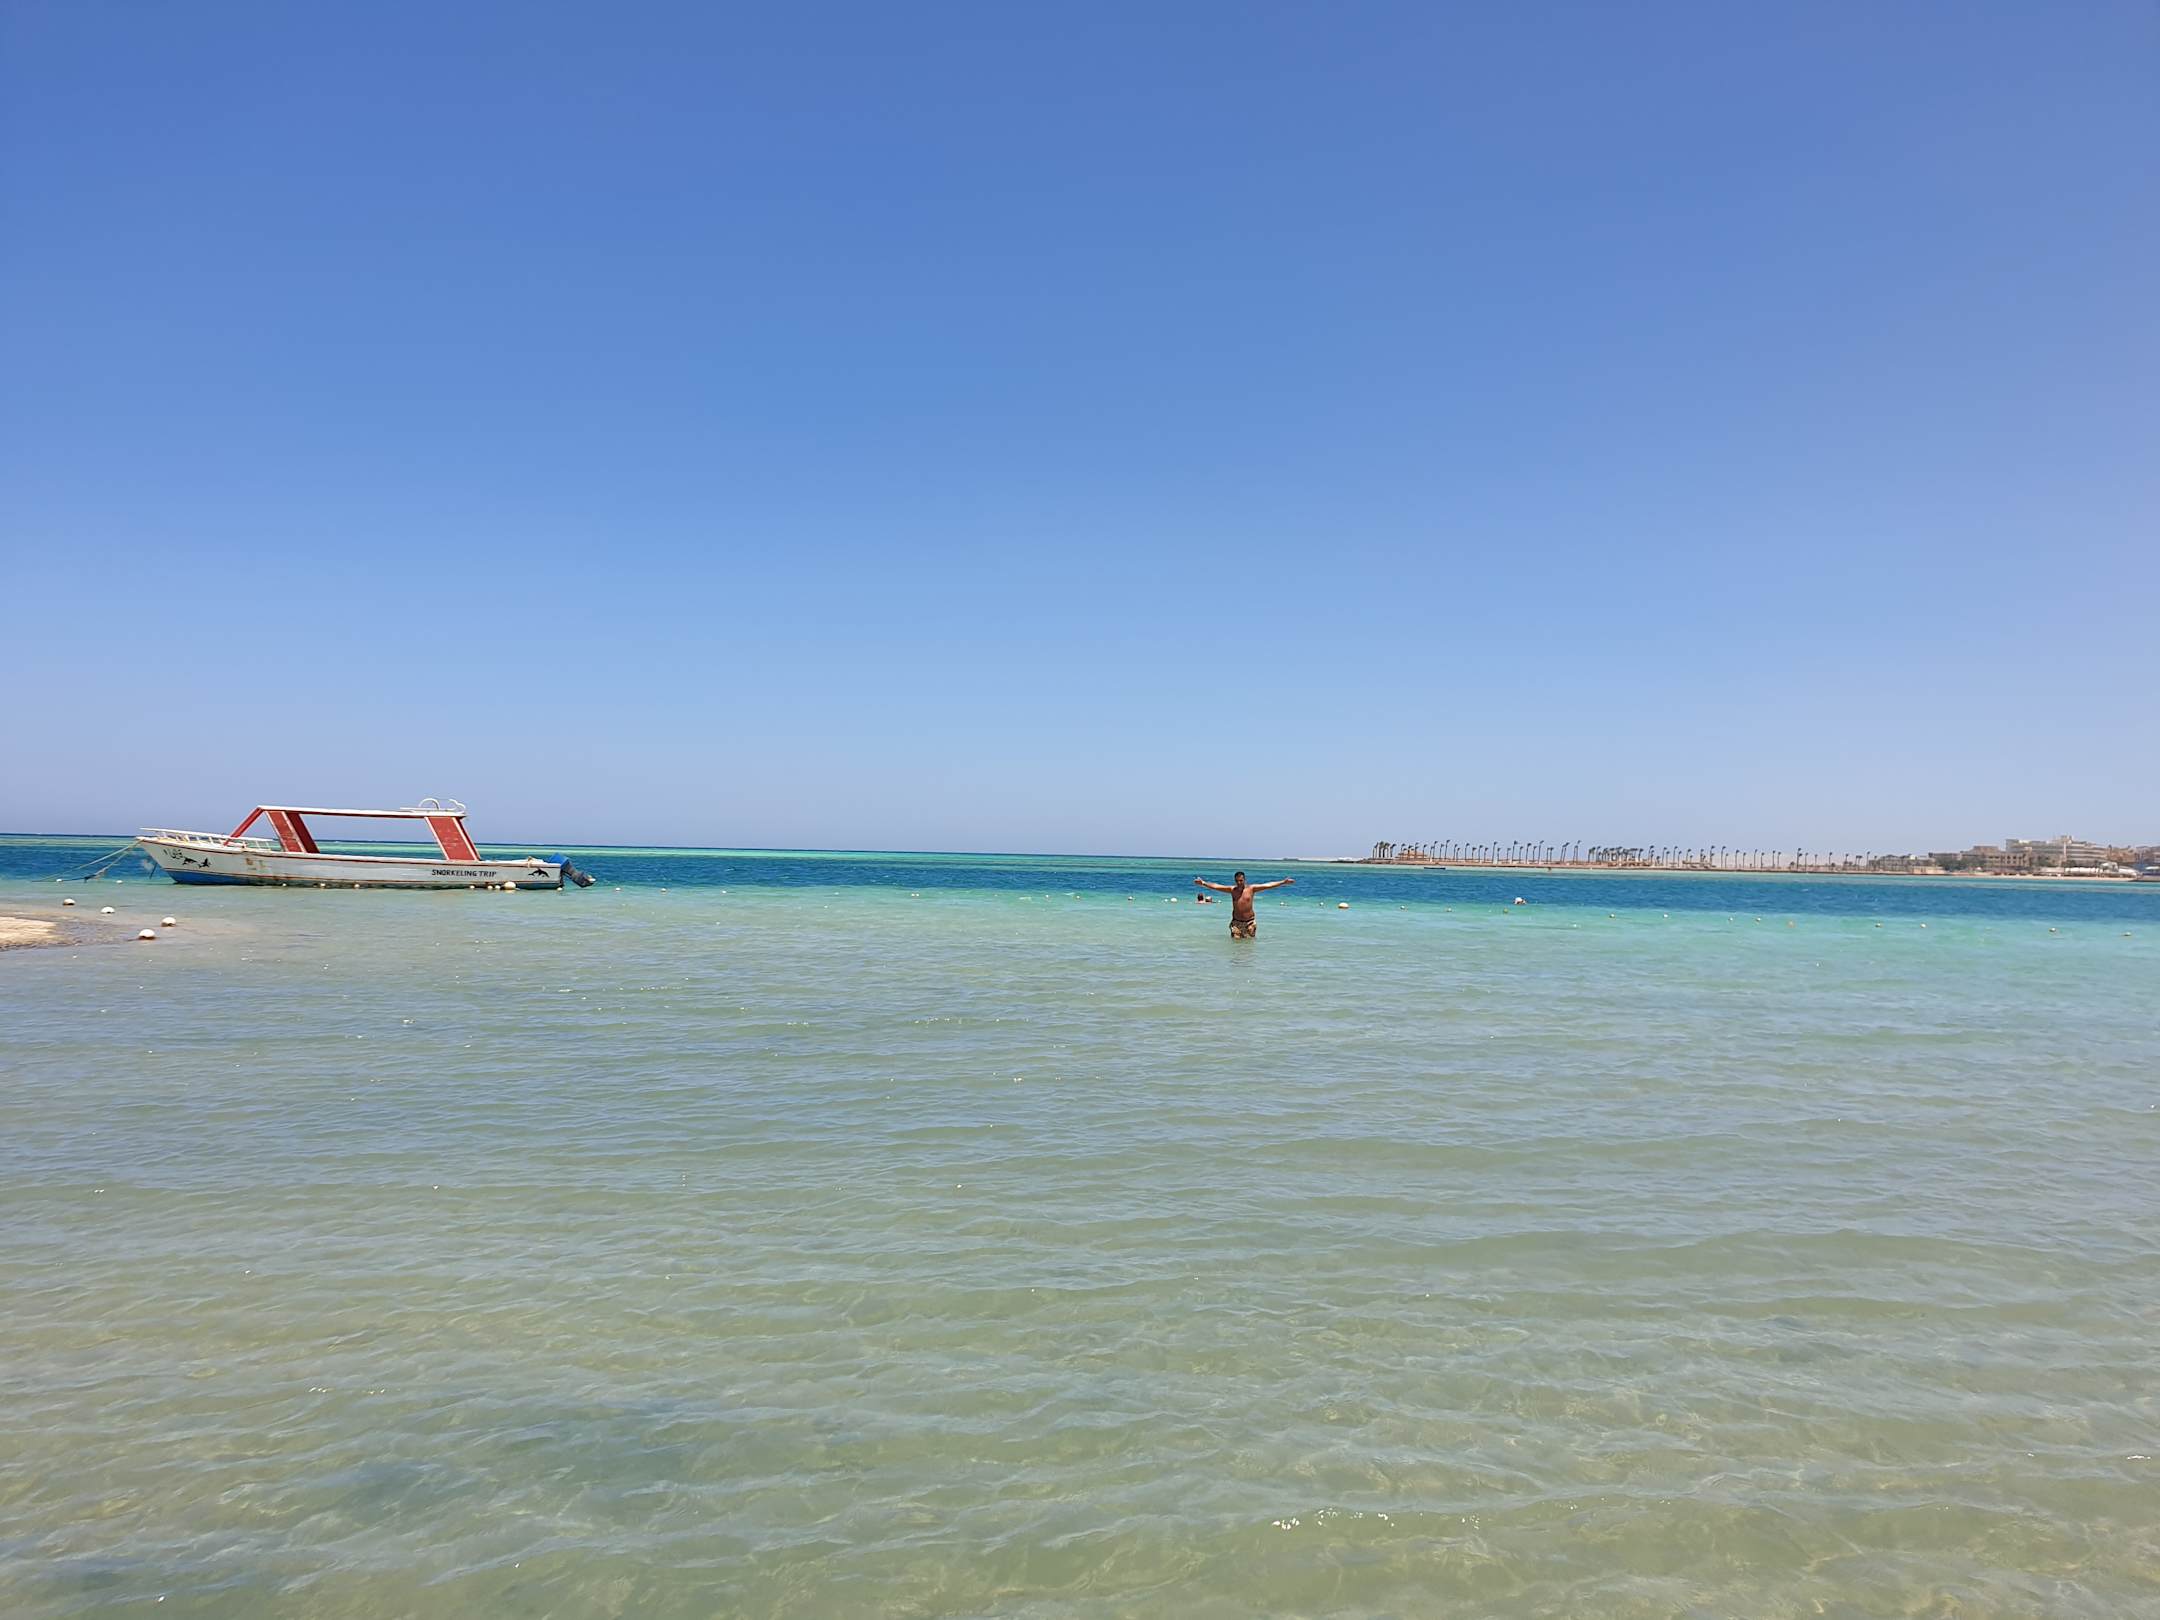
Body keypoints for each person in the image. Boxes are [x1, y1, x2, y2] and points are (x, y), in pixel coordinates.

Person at [1194, 870, 1294, 938]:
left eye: (1241, 880)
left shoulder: (1251, 889)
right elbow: (1216, 886)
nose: (1239, 883)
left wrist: (1283, 882)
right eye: (1237, 881)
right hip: (1236, 923)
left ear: (1244, 880)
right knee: (1236, 947)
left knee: (1248, 947)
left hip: (1250, 922)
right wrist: (1203, 883)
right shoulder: (1232, 890)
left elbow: (1268, 885)